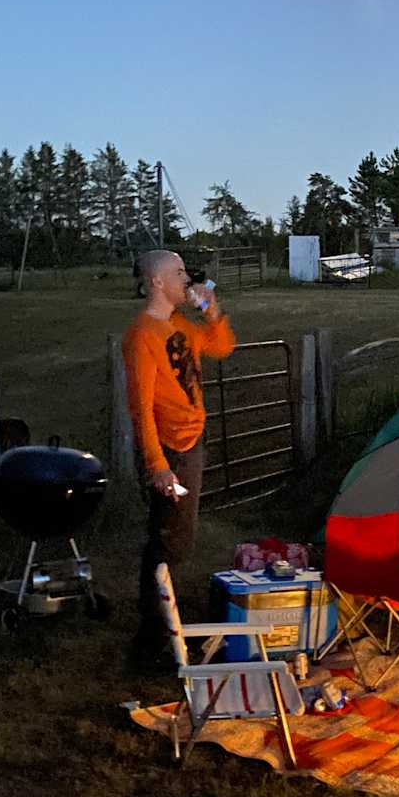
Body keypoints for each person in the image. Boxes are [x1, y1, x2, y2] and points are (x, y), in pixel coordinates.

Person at [123, 250, 235, 658]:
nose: (186, 279)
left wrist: (211, 308)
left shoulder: (181, 327)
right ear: (156, 282)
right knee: (168, 540)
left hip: (192, 443)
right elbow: (141, 406)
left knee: (179, 540)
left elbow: (222, 346)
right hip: (170, 452)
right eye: (179, 272)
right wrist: (157, 466)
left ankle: (168, 624)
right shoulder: (142, 335)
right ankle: (154, 638)